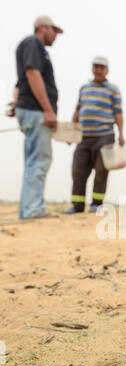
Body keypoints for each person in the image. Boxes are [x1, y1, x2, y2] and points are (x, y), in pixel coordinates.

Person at [10, 16, 63, 220]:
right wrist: (48, 110)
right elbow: (32, 74)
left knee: (32, 162)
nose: (55, 36)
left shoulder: (30, 46)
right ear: (43, 27)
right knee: (40, 161)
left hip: (28, 108)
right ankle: (33, 210)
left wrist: (16, 103)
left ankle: (27, 210)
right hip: (36, 111)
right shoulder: (33, 43)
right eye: (54, 31)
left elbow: (20, 82)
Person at [64, 57, 125, 214]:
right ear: (92, 69)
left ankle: (96, 204)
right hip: (84, 137)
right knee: (78, 170)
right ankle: (77, 205)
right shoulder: (84, 88)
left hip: (104, 136)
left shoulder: (113, 89)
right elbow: (77, 111)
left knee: (101, 171)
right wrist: (71, 134)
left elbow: (118, 113)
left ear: (107, 70)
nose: (98, 70)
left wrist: (121, 134)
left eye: (101, 67)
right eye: (95, 67)